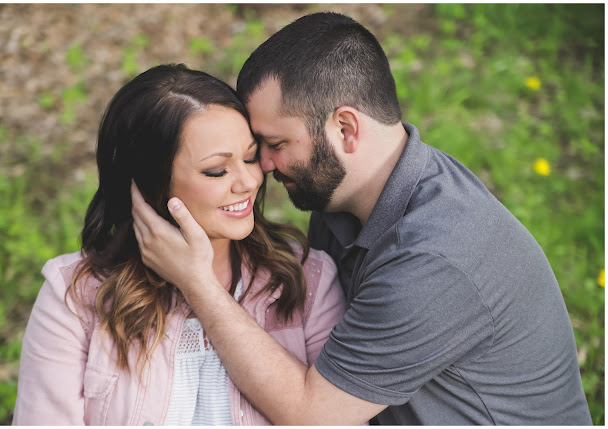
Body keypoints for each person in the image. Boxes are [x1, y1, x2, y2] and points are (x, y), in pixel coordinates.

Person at [130, 12, 593, 425]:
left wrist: (197, 283)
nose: (263, 168)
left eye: (276, 144)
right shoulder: (342, 201)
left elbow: (311, 415)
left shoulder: (435, 257)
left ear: (346, 128)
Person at [12, 63, 346, 425]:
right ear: (150, 185)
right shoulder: (74, 296)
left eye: (250, 157)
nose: (248, 181)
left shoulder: (308, 281)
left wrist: (197, 283)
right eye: (217, 170)